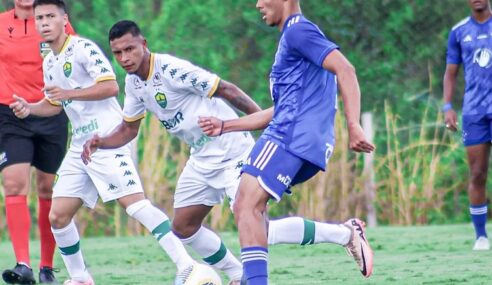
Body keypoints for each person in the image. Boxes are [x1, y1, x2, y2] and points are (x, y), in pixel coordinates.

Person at [82, 19, 370, 285]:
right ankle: (237, 275)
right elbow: (129, 130)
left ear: (144, 44)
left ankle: (345, 234)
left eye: (129, 49)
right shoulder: (133, 84)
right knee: (183, 227)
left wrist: (269, 134)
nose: (124, 58)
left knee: (256, 225)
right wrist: (101, 142)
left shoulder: (171, 69)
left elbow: (227, 90)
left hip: (232, 151)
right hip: (201, 158)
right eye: (117, 53)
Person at [10, 1, 205, 284]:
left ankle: (186, 265)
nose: (44, 22)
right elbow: (55, 103)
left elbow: (110, 85)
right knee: (58, 216)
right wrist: (30, 109)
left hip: (106, 137)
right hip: (80, 145)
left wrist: (69, 92)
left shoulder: (83, 48)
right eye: (40, 17)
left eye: (51, 16)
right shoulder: (50, 60)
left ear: (65, 19)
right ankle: (80, 278)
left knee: (134, 204)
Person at [199, 0, 376, 284]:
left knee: (246, 206)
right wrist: (226, 126)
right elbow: (282, 109)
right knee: (252, 215)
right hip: (303, 142)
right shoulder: (295, 38)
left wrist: (353, 125)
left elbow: (346, 70)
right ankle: (345, 234)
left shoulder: (298, 31)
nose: (257, 4)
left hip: (290, 137)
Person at [0, 0, 74, 283]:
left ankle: (46, 267)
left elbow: (74, 56)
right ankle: (23, 265)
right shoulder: (1, 22)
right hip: (10, 114)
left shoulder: (54, 19)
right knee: (15, 183)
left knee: (47, 188)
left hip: (51, 112)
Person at [443, 0, 492, 251]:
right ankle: (481, 237)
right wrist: (447, 106)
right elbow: (450, 73)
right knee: (477, 173)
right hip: (474, 113)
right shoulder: (458, 31)